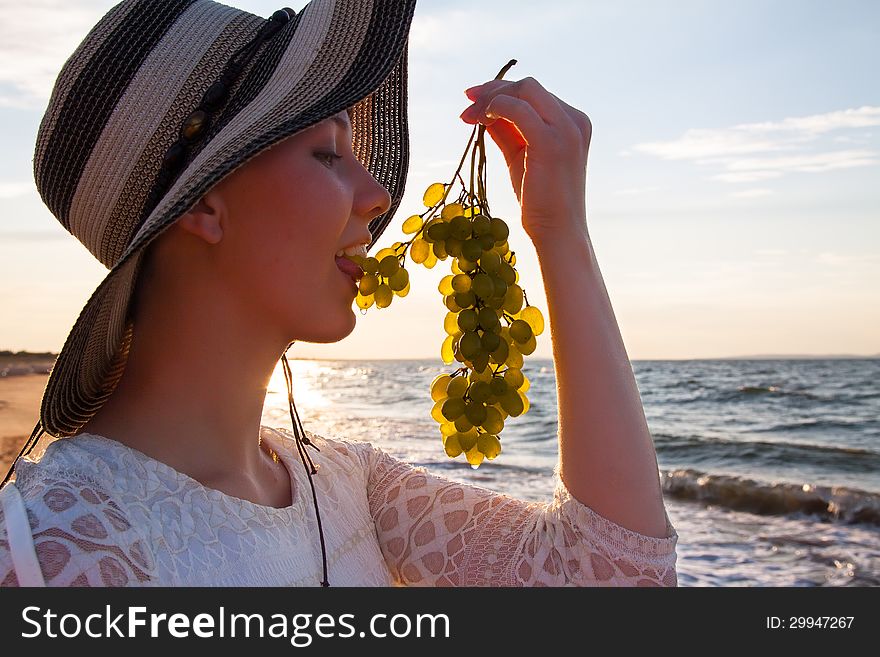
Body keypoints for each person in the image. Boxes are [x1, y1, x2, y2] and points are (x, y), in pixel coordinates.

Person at [0, 0, 678, 587]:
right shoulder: (49, 551)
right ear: (204, 199)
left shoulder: (344, 484)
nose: (378, 197)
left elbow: (611, 581)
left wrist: (560, 234)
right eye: (328, 153)